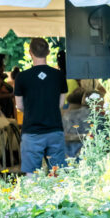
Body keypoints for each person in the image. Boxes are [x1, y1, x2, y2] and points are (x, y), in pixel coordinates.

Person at [14, 38, 68, 174]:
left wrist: (34, 110)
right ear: (48, 52)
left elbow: (19, 106)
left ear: (30, 52)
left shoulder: (21, 77)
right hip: (55, 129)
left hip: (32, 131)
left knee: (31, 175)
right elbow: (60, 104)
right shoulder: (59, 75)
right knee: (57, 174)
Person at [61, 88, 90, 159]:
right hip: (84, 154)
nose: (69, 109)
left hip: (67, 154)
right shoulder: (89, 115)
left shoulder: (67, 116)